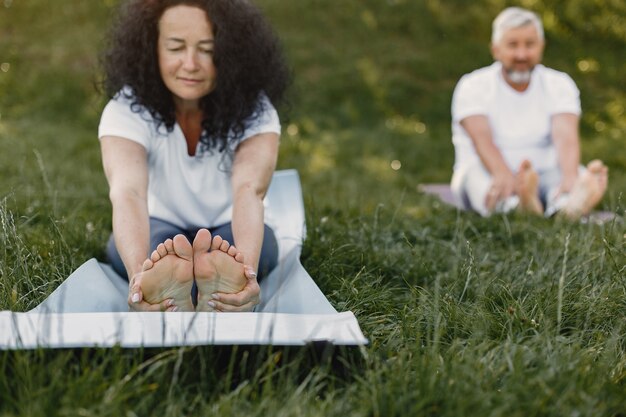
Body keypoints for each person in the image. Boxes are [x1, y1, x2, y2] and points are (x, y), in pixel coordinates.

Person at [98, 0, 290, 312]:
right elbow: (127, 192)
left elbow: (249, 190)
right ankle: (168, 284)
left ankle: (223, 285)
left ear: (230, 54)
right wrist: (138, 277)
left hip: (229, 226)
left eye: (207, 49)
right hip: (160, 224)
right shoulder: (125, 109)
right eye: (176, 47)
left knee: (261, 248)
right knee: (148, 251)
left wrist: (247, 273)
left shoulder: (256, 111)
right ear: (151, 49)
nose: (190, 63)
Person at [450, 7, 608, 218]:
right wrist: (504, 175)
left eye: (530, 45)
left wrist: (569, 177)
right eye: (513, 45)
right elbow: (482, 141)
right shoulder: (472, 85)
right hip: (489, 170)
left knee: (571, 174)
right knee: (477, 180)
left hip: (544, 172)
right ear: (496, 49)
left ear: (541, 47)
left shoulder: (559, 84)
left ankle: (565, 205)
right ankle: (517, 207)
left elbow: (566, 137)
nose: (522, 54)